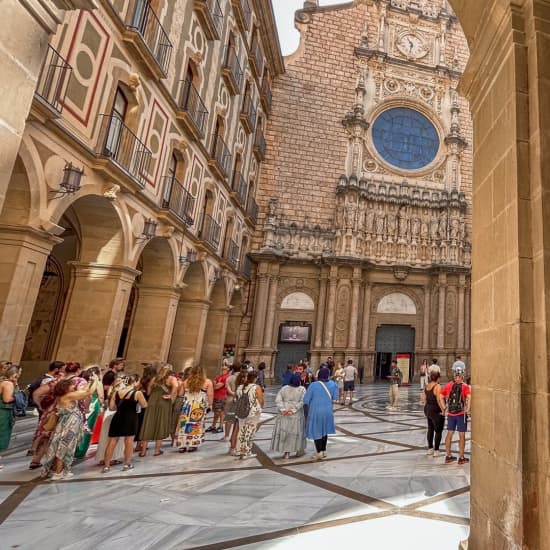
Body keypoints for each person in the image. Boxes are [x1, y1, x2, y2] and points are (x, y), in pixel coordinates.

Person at [42, 374, 99, 480]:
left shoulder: (64, 396)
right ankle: (58, 472)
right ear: (66, 388)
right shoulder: (68, 396)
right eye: (71, 385)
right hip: (68, 427)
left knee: (64, 448)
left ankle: (60, 470)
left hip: (67, 426)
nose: (74, 386)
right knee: (63, 449)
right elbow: (87, 393)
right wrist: (96, 380)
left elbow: (83, 391)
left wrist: (90, 382)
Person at [102, 374, 148, 472]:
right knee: (129, 441)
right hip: (130, 418)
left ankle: (106, 466)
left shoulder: (117, 392)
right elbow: (144, 405)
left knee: (112, 441)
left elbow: (111, 407)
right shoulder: (137, 393)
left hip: (117, 417)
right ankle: (127, 464)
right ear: (134, 382)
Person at [139, 365, 178, 456]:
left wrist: (151, 395)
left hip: (152, 401)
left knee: (148, 424)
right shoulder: (171, 378)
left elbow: (148, 390)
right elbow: (176, 386)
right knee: (160, 424)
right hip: (163, 402)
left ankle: (143, 451)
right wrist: (171, 395)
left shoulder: (154, 378)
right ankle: (157, 451)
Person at [438, 366, 471, 465]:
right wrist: (468, 409)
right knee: (462, 435)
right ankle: (461, 457)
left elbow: (440, 396)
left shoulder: (449, 385)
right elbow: (469, 397)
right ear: (462, 376)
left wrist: (444, 407)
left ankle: (448, 456)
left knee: (449, 433)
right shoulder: (465, 386)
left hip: (451, 414)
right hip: (461, 414)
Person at [303, 367, 338, 460]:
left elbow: (306, 400)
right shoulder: (333, 384)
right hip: (328, 411)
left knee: (316, 431)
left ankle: (319, 452)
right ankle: (324, 450)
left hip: (316, 411)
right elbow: (335, 398)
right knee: (324, 430)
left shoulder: (313, 385)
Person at [176, 366, 213, 452]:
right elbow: (210, 395)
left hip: (187, 406)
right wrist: (210, 404)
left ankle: (182, 445)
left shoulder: (186, 381)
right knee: (196, 424)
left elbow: (180, 394)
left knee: (183, 424)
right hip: (198, 406)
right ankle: (192, 444)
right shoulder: (207, 382)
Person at [271, 373, 306, 459]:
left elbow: (278, 400)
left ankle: (286, 453)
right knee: (295, 433)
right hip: (295, 415)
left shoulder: (284, 388)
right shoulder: (302, 389)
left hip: (284, 414)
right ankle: (298, 450)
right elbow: (302, 401)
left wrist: (283, 409)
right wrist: (293, 410)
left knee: (285, 432)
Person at [75, 366, 104, 458]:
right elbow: (101, 396)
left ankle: (74, 448)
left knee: (80, 426)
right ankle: (80, 451)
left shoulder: (83, 381)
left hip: (82, 404)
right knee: (88, 427)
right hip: (94, 405)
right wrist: (102, 405)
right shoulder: (98, 383)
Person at [234, 370, 264, 459]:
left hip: (241, 412)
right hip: (253, 413)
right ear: (255, 378)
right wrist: (260, 407)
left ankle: (239, 450)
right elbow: (261, 400)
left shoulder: (240, 387)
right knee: (250, 431)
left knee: (241, 430)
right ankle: (246, 451)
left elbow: (237, 398)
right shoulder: (256, 387)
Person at [0, 364, 21, 468]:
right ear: (15, 374)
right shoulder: (8, 384)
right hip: (3, 412)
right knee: (2, 434)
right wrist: (18, 397)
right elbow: (7, 399)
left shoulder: (3, 381)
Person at [422, 368, 444, 457]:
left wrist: (427, 407)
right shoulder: (438, 387)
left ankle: (430, 448)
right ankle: (436, 450)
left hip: (427, 409)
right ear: (438, 378)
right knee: (438, 430)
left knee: (430, 428)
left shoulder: (426, 386)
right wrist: (443, 410)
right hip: (435, 409)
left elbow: (423, 399)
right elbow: (439, 400)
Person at [226, 367, 247, 454]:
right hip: (239, 408)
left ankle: (231, 442)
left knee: (234, 425)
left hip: (233, 405)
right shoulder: (243, 388)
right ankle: (233, 447)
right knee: (237, 427)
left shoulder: (238, 386)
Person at [207, 364, 230, 434]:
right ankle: (213, 426)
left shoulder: (226, 377)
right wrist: (214, 384)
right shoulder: (219, 376)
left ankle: (220, 427)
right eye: (222, 368)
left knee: (221, 412)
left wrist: (214, 384)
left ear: (228, 369)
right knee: (216, 412)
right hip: (216, 396)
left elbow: (216, 387)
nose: (223, 369)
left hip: (221, 396)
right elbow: (214, 384)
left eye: (225, 368)